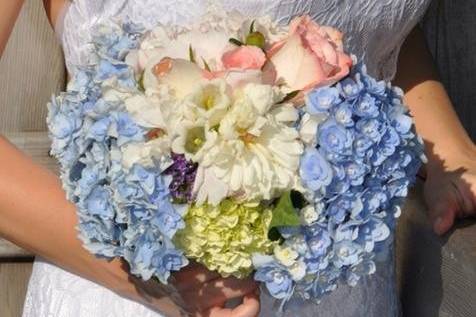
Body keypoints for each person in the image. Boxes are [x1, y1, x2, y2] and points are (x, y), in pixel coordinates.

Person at [0, 0, 474, 316]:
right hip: (134, 297)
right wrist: (157, 280)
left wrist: (445, 141)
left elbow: (367, 27)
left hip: (351, 293)